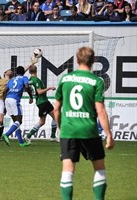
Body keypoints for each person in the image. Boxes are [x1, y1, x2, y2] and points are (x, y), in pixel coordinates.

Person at [53, 47, 115, 200]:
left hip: (68, 130)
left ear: (76, 60)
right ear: (93, 61)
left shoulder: (65, 79)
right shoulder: (96, 81)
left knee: (68, 170)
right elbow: (100, 111)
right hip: (89, 130)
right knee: (99, 168)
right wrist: (108, 134)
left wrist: (61, 127)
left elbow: (56, 108)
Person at [23, 65, 58, 144]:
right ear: (36, 71)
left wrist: (31, 97)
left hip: (43, 102)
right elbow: (39, 92)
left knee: (56, 116)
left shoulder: (29, 80)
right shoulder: (36, 80)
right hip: (42, 102)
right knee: (42, 122)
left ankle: (53, 136)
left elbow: (30, 90)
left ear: (29, 72)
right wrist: (48, 88)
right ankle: (28, 136)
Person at [2, 66, 33, 147]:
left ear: (16, 73)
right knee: (19, 121)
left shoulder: (11, 80)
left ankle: (21, 142)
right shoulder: (24, 77)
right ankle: (6, 134)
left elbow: (4, 91)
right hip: (14, 100)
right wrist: (31, 96)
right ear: (23, 72)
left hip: (7, 99)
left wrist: (4, 104)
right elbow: (27, 86)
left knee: (16, 122)